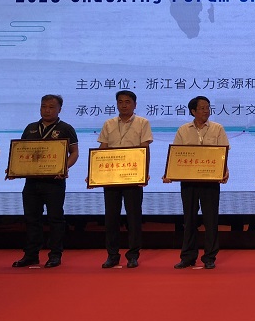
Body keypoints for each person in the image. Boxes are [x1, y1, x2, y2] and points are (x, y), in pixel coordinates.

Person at [12, 95, 79, 268]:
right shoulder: (31, 128)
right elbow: (21, 152)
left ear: (59, 109)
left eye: (51, 107)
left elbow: (74, 153)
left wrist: (64, 168)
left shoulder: (66, 128)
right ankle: (31, 255)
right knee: (31, 219)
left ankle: (55, 255)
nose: (47, 110)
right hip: (31, 182)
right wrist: (14, 169)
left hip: (54, 182)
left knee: (55, 219)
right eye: (43, 106)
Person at [167, 96, 229, 270]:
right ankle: (188, 256)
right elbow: (176, 155)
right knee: (189, 220)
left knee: (211, 220)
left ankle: (209, 257)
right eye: (202, 108)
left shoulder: (217, 128)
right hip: (189, 182)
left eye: (208, 107)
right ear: (193, 111)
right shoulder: (183, 130)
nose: (206, 111)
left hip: (210, 182)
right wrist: (170, 173)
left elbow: (223, 153)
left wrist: (225, 170)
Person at [96, 90, 152, 269]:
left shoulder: (142, 122)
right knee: (111, 218)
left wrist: (144, 173)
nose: (124, 105)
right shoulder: (109, 123)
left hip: (133, 176)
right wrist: (95, 172)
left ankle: (133, 255)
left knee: (133, 218)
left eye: (127, 102)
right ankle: (112, 255)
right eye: (120, 102)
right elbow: (103, 148)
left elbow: (145, 149)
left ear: (135, 104)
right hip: (111, 177)